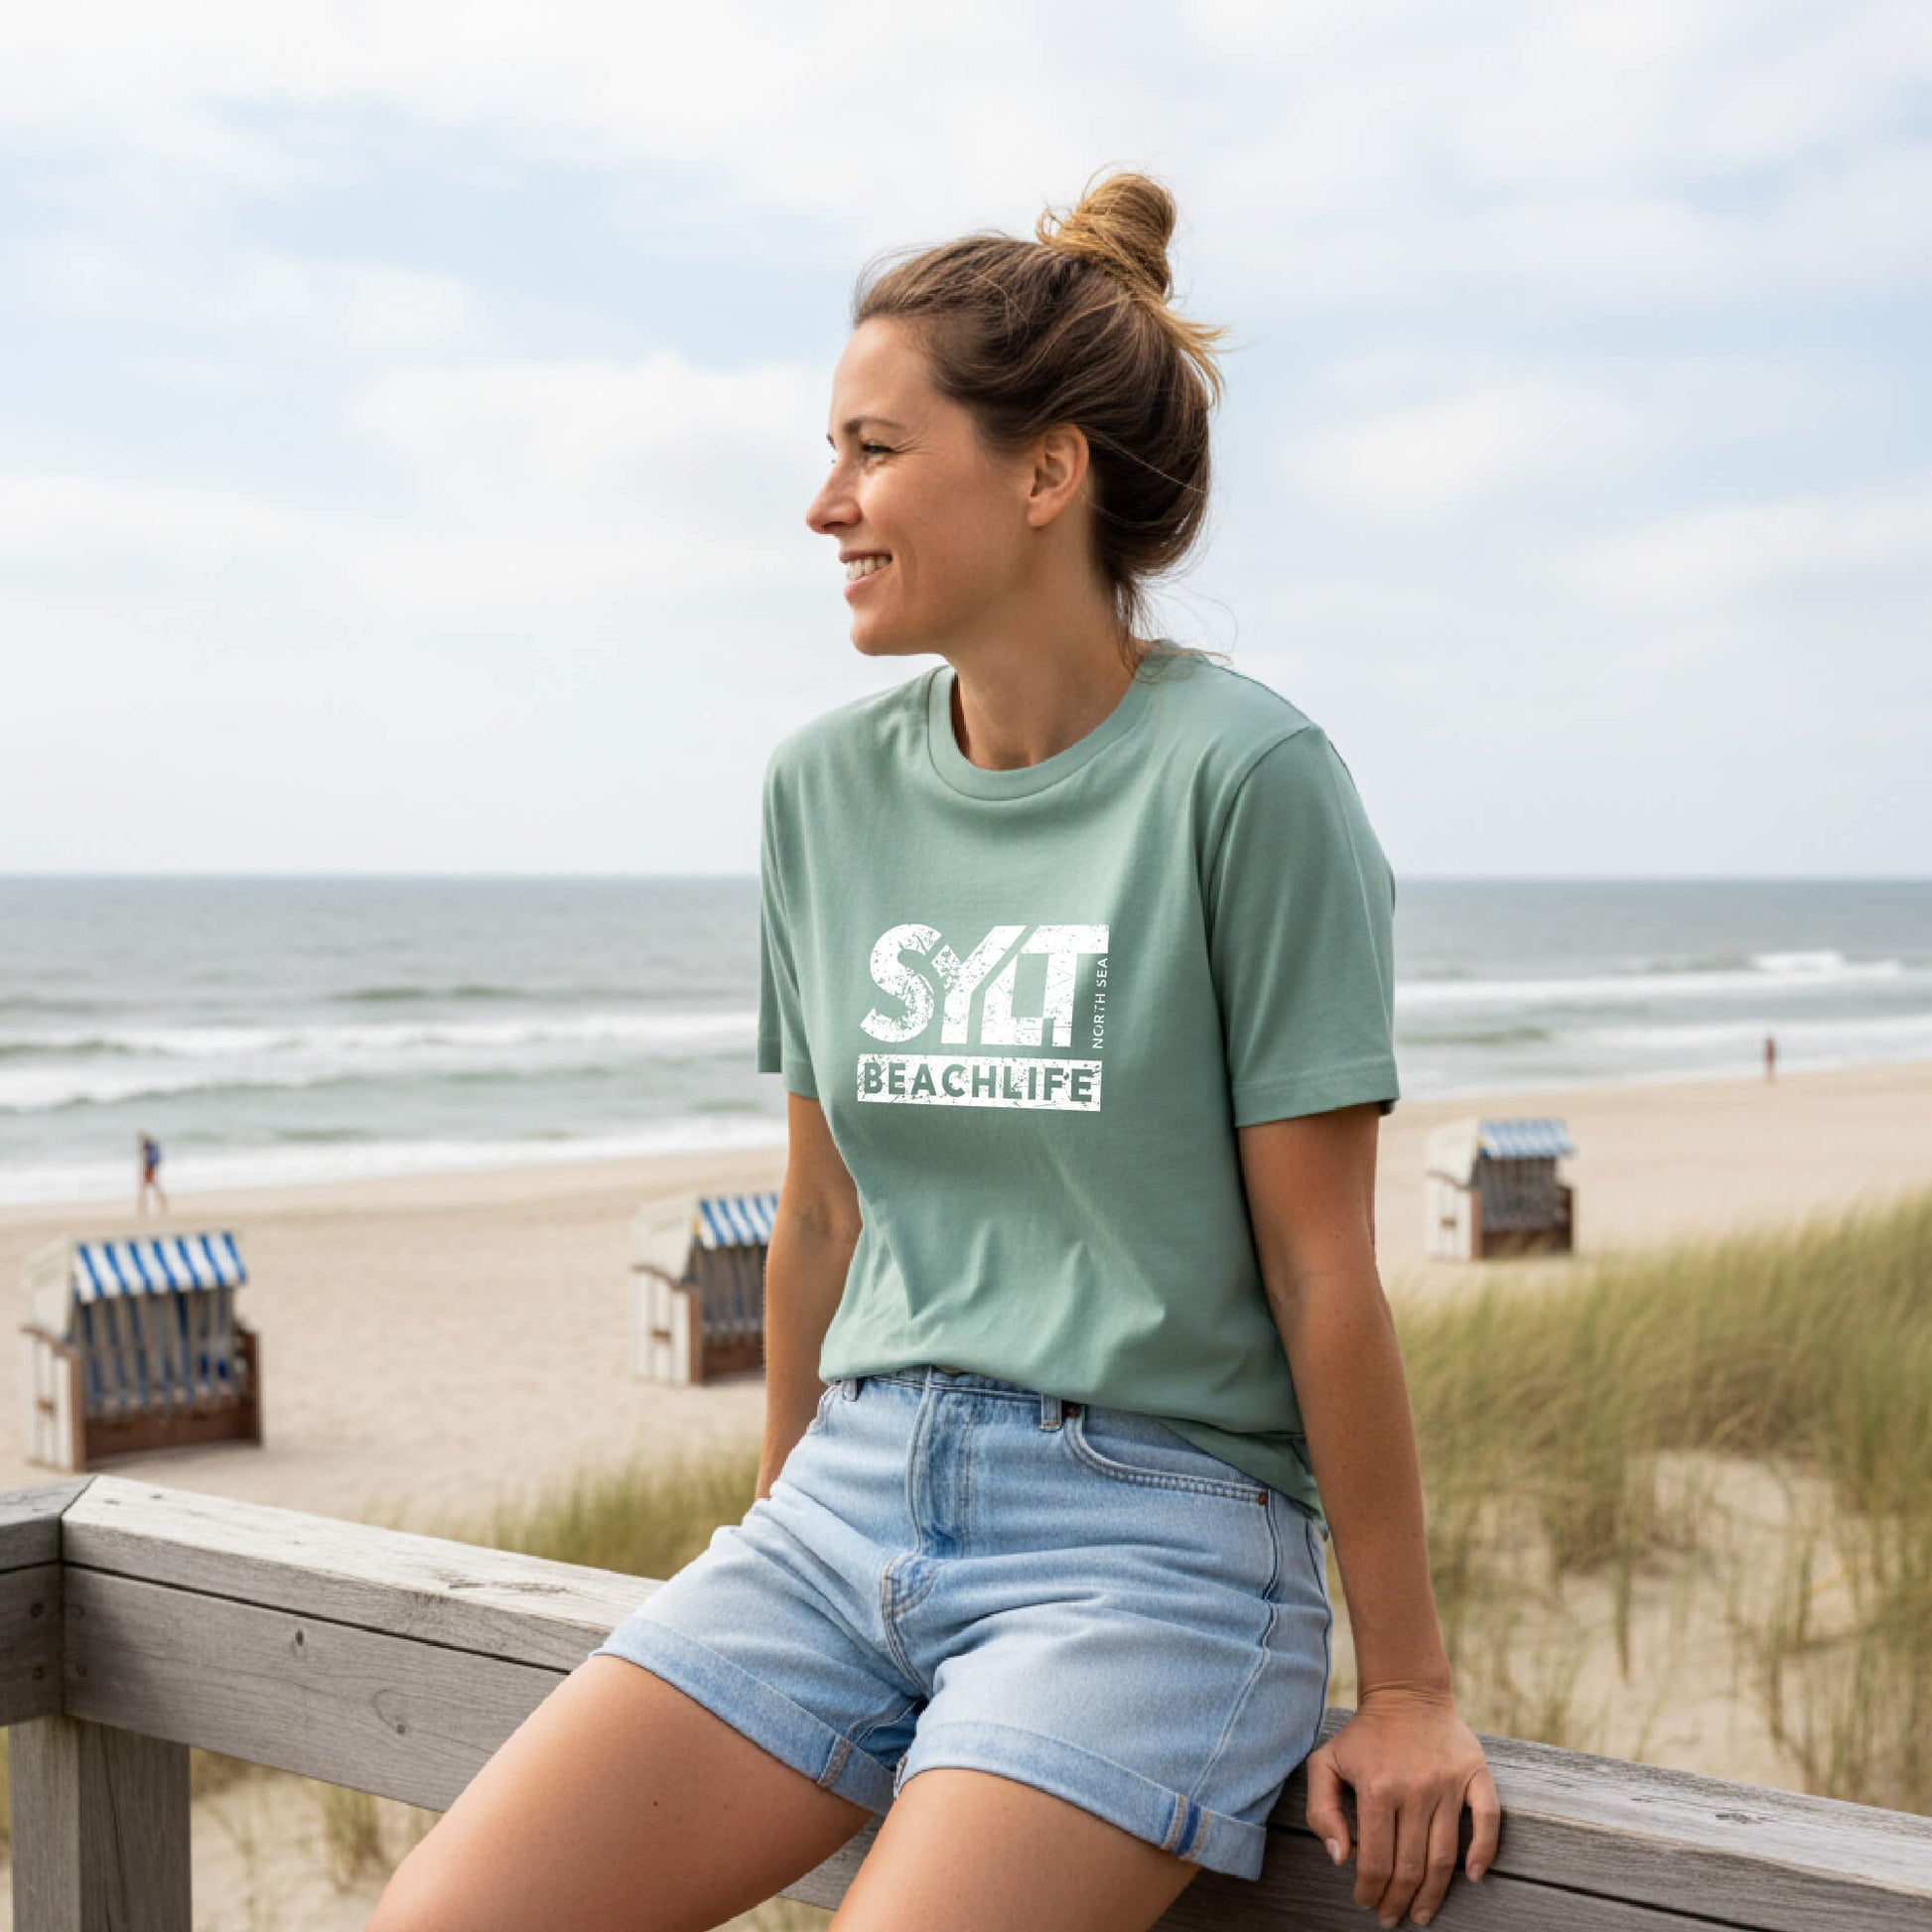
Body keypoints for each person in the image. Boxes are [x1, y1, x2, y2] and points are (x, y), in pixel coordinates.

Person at [370, 170, 1500, 1932]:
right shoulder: (821, 790)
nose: (825, 502)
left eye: (875, 450)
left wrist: (1409, 1681)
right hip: (843, 1509)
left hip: (1151, 1548)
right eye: (832, 452)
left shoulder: (1245, 781)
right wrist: (771, 1528)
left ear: (1045, 475)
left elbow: (1318, 1264)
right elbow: (819, 1219)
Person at [135, 1132, 167, 1215]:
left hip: (149, 1170)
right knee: (153, 1188)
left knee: (144, 1189)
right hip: (151, 1169)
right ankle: (162, 1204)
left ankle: (142, 1208)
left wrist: (143, 1170)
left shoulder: (147, 1148)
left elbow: (145, 1160)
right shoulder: (152, 1147)